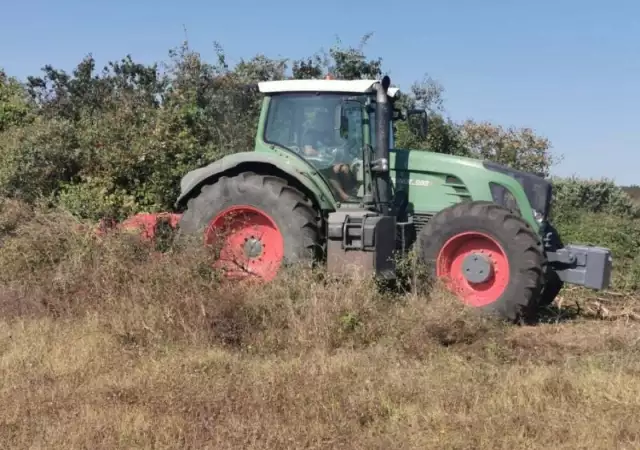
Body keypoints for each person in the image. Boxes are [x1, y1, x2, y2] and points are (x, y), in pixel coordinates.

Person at [301, 110, 358, 202]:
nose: (324, 122)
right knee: (329, 170)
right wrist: (321, 153)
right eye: (322, 120)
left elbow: (334, 149)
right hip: (316, 164)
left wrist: (339, 161)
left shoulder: (327, 134)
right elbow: (308, 151)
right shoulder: (310, 134)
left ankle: (351, 192)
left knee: (345, 168)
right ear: (317, 120)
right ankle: (343, 196)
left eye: (326, 120)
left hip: (330, 161)